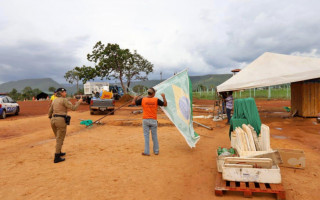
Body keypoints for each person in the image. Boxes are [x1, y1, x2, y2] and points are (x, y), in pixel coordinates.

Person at [48, 88, 83, 163]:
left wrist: (52, 118)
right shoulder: (64, 100)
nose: (66, 93)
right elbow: (74, 108)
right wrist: (79, 102)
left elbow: (49, 112)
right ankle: (57, 157)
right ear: (61, 93)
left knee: (58, 137)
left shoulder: (54, 100)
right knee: (60, 138)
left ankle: (59, 152)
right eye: (64, 92)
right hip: (60, 120)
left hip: (53, 120)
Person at [132, 88, 167, 156]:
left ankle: (147, 152)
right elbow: (165, 104)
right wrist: (163, 97)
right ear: (153, 94)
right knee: (154, 136)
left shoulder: (143, 99)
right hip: (153, 120)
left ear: (148, 93)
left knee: (146, 136)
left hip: (145, 120)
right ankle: (156, 151)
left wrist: (135, 98)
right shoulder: (156, 100)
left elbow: (133, 103)